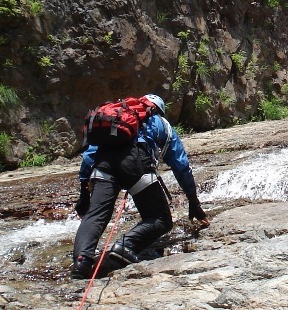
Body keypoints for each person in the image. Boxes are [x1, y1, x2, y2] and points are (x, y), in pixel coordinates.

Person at [71, 93, 209, 279]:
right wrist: (193, 200)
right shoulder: (159, 122)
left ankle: (81, 264)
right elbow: (180, 164)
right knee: (160, 219)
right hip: (136, 164)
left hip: (103, 164)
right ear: (158, 110)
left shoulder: (114, 120)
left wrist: (83, 192)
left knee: (94, 217)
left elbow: (90, 155)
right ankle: (125, 245)